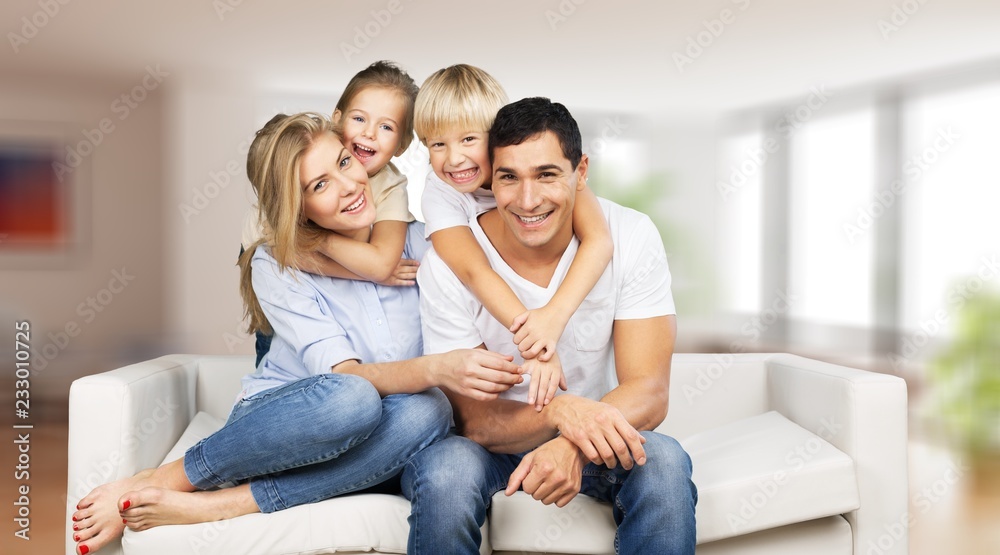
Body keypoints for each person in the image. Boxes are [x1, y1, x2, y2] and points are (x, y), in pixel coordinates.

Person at [70, 113, 524, 555]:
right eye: (319, 186)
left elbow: (514, 214)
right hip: (291, 423)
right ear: (297, 206)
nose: (348, 186)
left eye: (344, 163)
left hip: (391, 436)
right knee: (354, 397)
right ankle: (163, 479)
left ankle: (228, 505)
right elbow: (348, 376)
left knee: (430, 411)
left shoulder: (427, 242)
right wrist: (436, 367)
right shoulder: (278, 263)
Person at [402, 98, 698, 554]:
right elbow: (475, 422)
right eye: (509, 177)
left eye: (546, 174)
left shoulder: (631, 234)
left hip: (595, 437)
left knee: (662, 461)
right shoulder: (448, 265)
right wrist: (559, 412)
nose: (527, 200)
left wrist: (573, 444)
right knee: (446, 469)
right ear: (489, 177)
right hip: (492, 447)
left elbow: (649, 390)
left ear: (580, 172)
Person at [414, 64, 614, 410]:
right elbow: (475, 270)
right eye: (437, 144)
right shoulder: (440, 192)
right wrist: (536, 344)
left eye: (468, 139)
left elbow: (599, 241)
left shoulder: (543, 167)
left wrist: (554, 316)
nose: (454, 158)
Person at [242, 60, 422, 365]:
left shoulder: (389, 185)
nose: (369, 134)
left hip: (308, 255)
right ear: (337, 119)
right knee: (278, 347)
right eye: (359, 118)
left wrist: (323, 241)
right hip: (276, 266)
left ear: (402, 145)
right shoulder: (292, 176)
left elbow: (380, 264)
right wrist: (365, 270)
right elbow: (283, 254)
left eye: (387, 126)